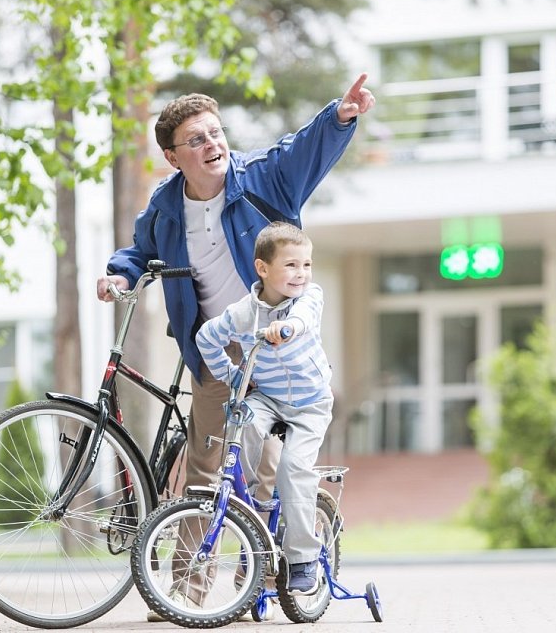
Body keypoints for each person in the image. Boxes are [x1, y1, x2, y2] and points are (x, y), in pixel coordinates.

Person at [96, 74, 374, 619]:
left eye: (216, 133)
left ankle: (263, 582)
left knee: (267, 469)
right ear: (173, 157)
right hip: (216, 350)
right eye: (196, 139)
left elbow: (302, 151)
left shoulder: (261, 179)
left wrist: (339, 116)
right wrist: (120, 275)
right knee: (204, 469)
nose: (212, 144)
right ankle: (186, 592)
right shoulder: (165, 206)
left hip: (273, 347)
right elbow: (139, 251)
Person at [196, 222, 331, 594]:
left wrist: (286, 329)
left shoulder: (309, 297)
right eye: (291, 265)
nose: (301, 273)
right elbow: (206, 338)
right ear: (263, 269)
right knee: (245, 425)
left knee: (293, 469)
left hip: (310, 403)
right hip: (268, 397)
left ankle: (302, 558)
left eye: (306, 264)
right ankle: (253, 504)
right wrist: (234, 376)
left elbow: (304, 319)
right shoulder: (243, 313)